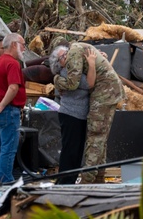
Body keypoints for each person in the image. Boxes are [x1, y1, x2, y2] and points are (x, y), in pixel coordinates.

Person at [54, 42, 124, 183]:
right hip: (102, 96)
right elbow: (85, 82)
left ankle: (89, 179)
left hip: (102, 95)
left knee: (96, 138)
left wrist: (56, 80)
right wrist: (93, 63)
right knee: (99, 138)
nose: (65, 60)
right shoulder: (72, 61)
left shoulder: (74, 56)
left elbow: (79, 83)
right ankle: (96, 177)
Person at [49, 44, 97, 185]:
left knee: (76, 151)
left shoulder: (73, 70)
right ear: (60, 63)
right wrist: (92, 64)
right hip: (71, 115)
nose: (68, 56)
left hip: (77, 116)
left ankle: (68, 181)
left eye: (67, 53)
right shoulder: (67, 73)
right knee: (70, 151)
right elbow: (89, 83)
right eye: (64, 56)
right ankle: (64, 182)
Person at [0, 33, 26, 183]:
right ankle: (6, 180)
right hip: (7, 110)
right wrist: (2, 105)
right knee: (8, 148)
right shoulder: (13, 63)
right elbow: (13, 88)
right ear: (14, 44)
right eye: (22, 45)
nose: (24, 48)